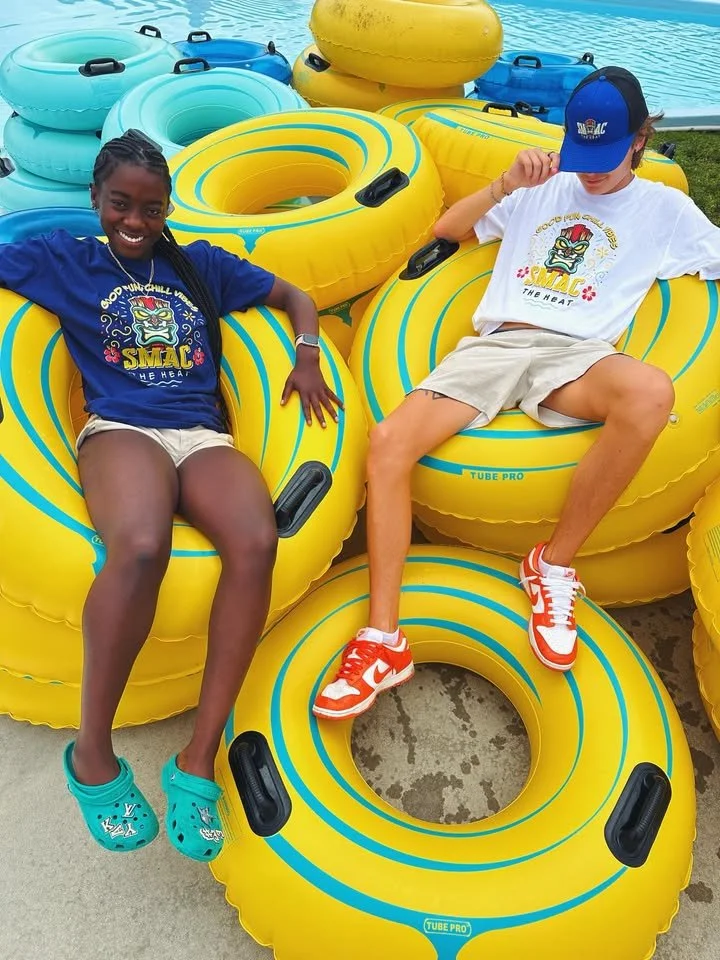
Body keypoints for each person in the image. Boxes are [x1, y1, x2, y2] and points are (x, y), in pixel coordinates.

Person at [313, 65, 720, 720]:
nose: (591, 173)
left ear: (640, 140)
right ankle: (383, 639)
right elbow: (448, 231)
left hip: (577, 357)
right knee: (387, 443)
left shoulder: (665, 210)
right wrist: (504, 184)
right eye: (582, 154)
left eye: (606, 157)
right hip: (497, 345)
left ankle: (552, 566)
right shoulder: (542, 187)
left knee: (650, 392)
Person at [0, 130, 342, 858]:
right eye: (120, 204)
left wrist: (308, 353)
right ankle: (93, 753)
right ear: (96, 199)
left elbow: (294, 296)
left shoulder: (199, 266)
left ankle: (197, 759)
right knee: (141, 545)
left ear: (167, 208)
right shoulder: (66, 260)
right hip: (122, 429)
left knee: (256, 541)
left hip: (201, 434)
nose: (134, 221)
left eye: (150, 208)